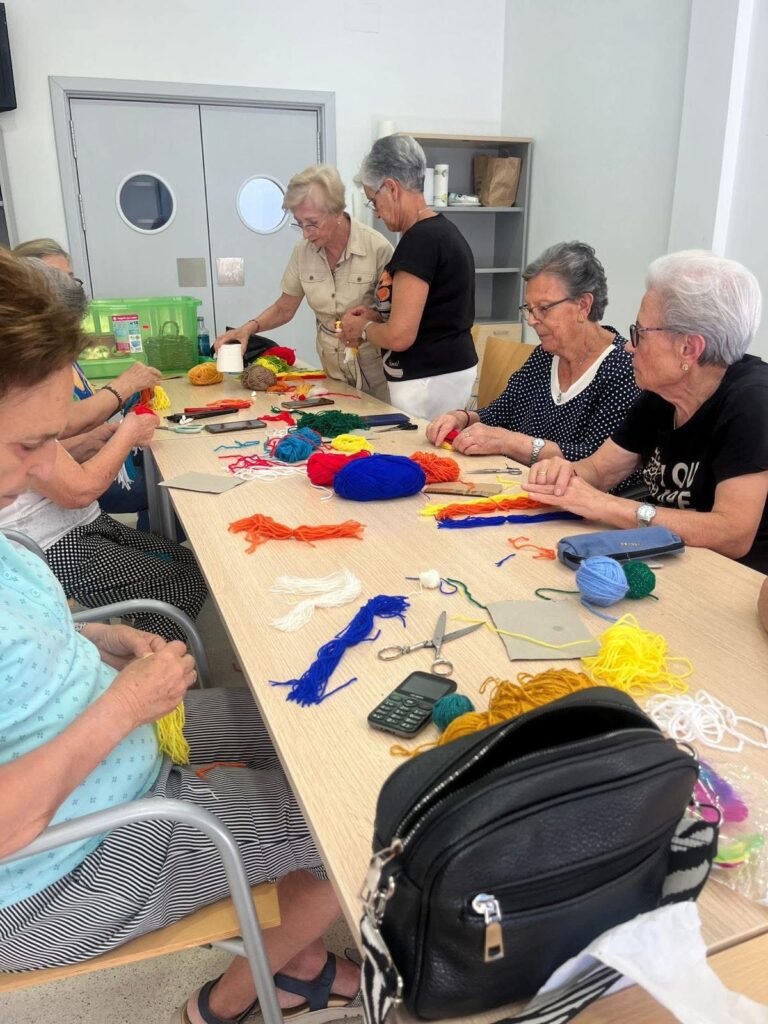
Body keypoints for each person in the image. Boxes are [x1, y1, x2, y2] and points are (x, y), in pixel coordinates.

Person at [0, 249, 361, 1024]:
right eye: (28, 446)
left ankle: (293, 952)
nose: (44, 468)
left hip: (120, 756)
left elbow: (25, 639)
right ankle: (227, 1003)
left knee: (331, 733)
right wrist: (125, 707)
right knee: (357, 812)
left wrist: (105, 641)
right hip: (55, 875)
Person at [525, 250, 768, 574]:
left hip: (733, 580)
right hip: (671, 561)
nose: (629, 346)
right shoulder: (663, 392)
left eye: (639, 333)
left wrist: (609, 506)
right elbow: (600, 470)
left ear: (688, 348)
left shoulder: (753, 403)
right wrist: (563, 474)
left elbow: (733, 534)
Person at [426, 242, 641, 484]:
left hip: (577, 501)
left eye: (544, 308)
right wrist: (462, 418)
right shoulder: (545, 356)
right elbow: (500, 412)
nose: (531, 320)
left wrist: (510, 442)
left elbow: (598, 461)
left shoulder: (625, 368)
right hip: (524, 487)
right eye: (529, 309)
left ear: (583, 305)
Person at [14, 239, 162, 530]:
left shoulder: (44, 361)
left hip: (66, 520)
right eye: (54, 279)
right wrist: (127, 423)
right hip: (56, 537)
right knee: (167, 489)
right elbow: (77, 488)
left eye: (70, 279)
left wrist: (94, 438)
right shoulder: (21, 385)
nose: (67, 289)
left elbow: (47, 450)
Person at [214, 164, 393, 401]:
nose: (306, 233)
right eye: (299, 224)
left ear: (337, 212)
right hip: (333, 371)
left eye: (312, 223)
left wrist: (369, 319)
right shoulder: (303, 252)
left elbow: (396, 319)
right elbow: (284, 308)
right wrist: (247, 329)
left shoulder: (378, 249)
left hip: (376, 373)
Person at [341, 134, 478, 420]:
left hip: (429, 377)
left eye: (373, 201)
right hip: (438, 372)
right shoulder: (436, 232)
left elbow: (400, 336)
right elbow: (430, 314)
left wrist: (363, 329)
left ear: (391, 188)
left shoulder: (420, 241)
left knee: (418, 447)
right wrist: (378, 316)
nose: (377, 214)